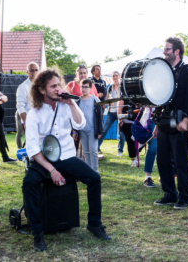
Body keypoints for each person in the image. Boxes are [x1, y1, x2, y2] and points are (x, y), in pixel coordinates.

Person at [23, 68, 111, 251]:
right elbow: (32, 149)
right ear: (41, 90)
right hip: (44, 159)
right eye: (53, 86)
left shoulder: (66, 104)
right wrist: (52, 170)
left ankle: (94, 224)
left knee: (94, 178)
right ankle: (37, 233)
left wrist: (70, 103)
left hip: (67, 155)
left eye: (58, 85)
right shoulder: (34, 114)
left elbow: (81, 124)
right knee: (29, 183)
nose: (57, 89)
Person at [153, 37, 188, 210]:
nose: (164, 52)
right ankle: (169, 194)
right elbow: (162, 100)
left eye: (167, 49)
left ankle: (184, 197)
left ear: (177, 51)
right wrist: (157, 125)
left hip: (180, 121)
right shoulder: (166, 72)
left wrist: (186, 120)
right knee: (163, 159)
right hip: (164, 122)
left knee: (180, 161)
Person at [77, 79, 103, 172]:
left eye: (86, 87)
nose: (84, 89)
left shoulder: (94, 99)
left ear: (90, 88)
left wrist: (100, 131)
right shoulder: (78, 101)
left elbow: (100, 116)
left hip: (93, 129)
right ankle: (89, 170)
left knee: (93, 151)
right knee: (86, 151)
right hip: (82, 130)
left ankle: (95, 170)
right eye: (82, 87)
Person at [98, 71, 125, 156]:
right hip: (111, 112)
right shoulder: (110, 88)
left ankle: (120, 151)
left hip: (120, 112)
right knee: (104, 130)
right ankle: (96, 148)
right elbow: (107, 98)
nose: (115, 77)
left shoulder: (122, 87)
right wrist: (105, 104)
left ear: (119, 77)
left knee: (121, 133)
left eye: (116, 75)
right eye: (113, 76)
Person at [15, 62, 39, 149]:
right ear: (27, 72)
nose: (34, 72)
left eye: (36, 70)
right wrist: (25, 121)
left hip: (40, 118)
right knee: (21, 133)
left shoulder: (42, 85)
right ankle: (20, 150)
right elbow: (20, 106)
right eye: (32, 70)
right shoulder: (23, 87)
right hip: (27, 117)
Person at [140, 107, 157, 188]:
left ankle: (164, 176)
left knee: (166, 150)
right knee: (153, 148)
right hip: (152, 118)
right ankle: (147, 177)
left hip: (167, 117)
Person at [117, 99, 138, 167]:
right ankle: (133, 160)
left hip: (137, 123)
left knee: (138, 141)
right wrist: (120, 121)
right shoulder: (123, 100)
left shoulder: (137, 98)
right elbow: (119, 111)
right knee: (130, 141)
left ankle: (135, 156)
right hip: (127, 124)